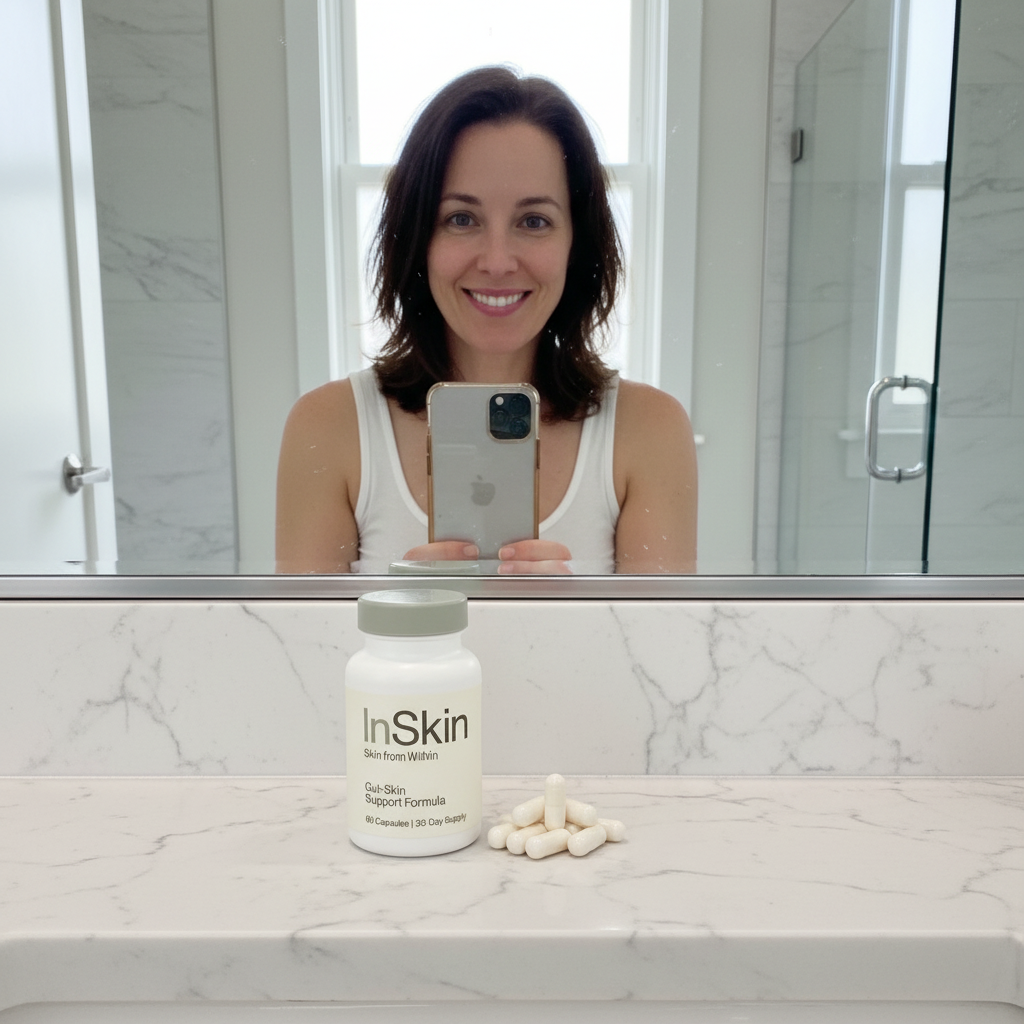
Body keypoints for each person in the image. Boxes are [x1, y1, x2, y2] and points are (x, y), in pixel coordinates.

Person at [276, 66, 697, 574]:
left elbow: (665, 651)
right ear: (418, 240)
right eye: (461, 219)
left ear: (575, 244)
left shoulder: (650, 431)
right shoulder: (328, 427)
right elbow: (301, 650)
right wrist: (412, 620)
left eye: (533, 221)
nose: (497, 261)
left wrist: (573, 621)